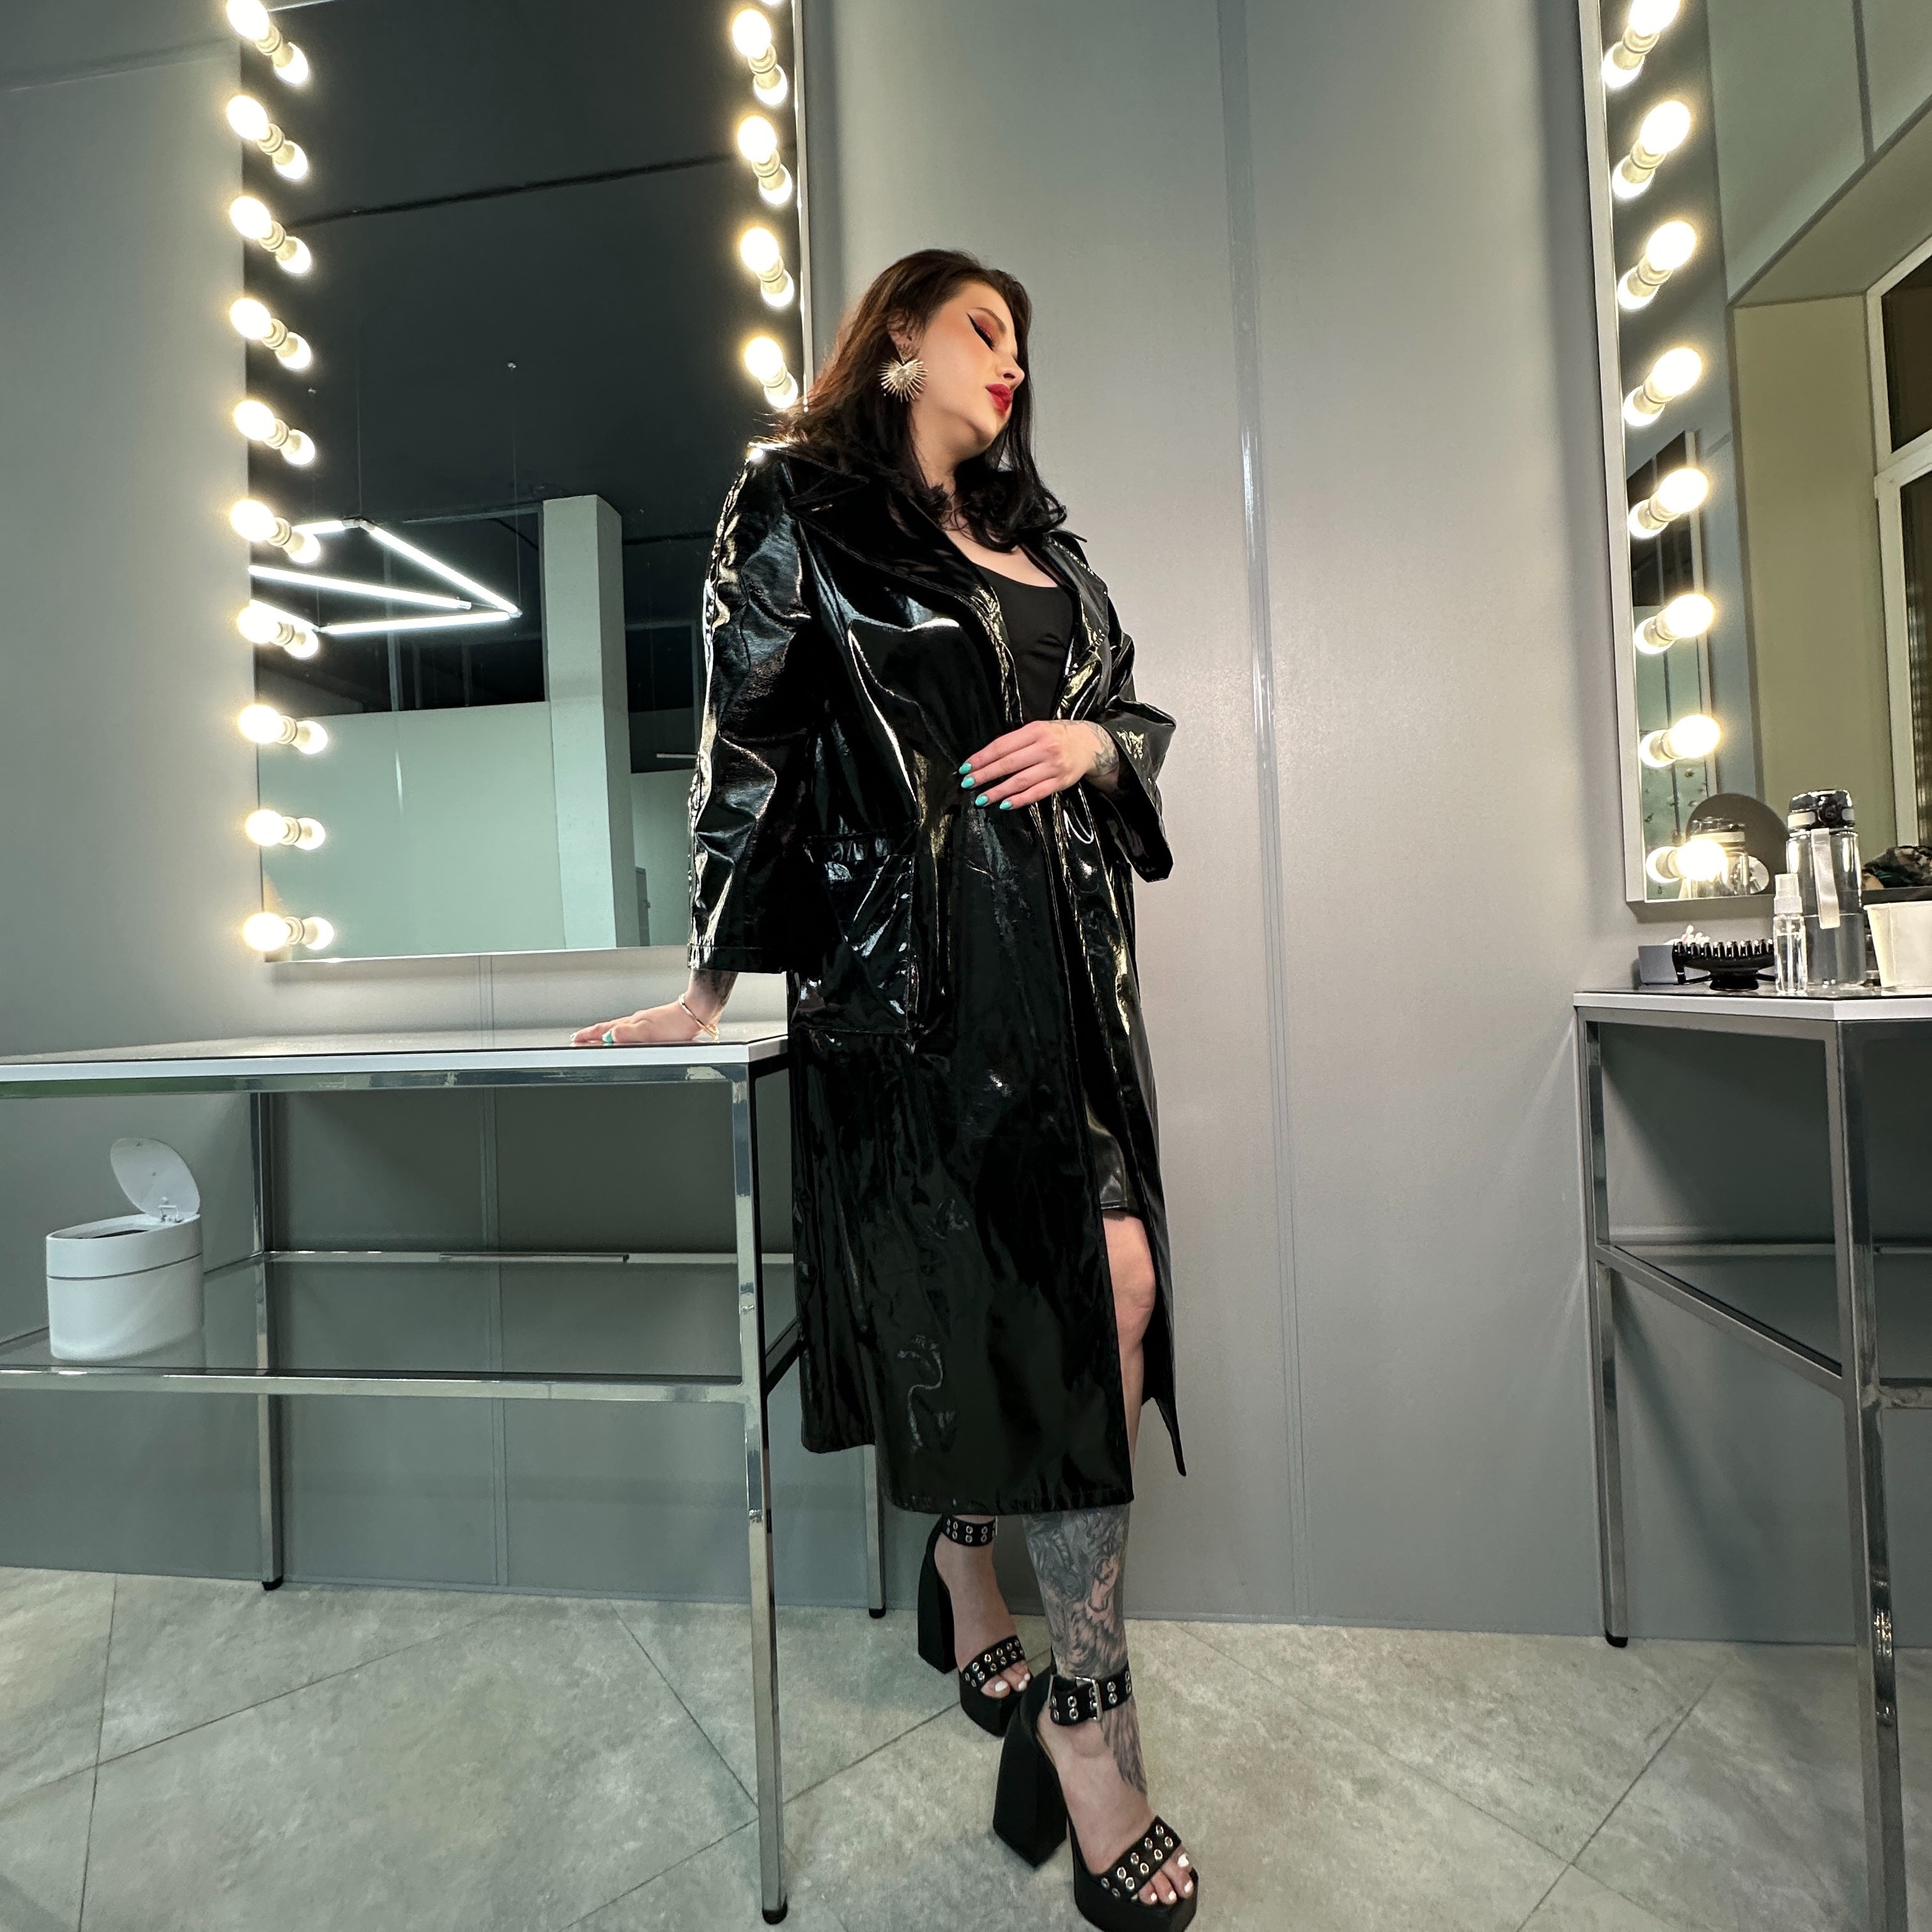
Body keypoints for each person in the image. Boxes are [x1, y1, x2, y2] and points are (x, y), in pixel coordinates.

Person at [574, 249, 1193, 1926]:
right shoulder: (800, 507)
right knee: (1034, 1311)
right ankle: (1070, 1703)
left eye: (1025, 342)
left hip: (1073, 995)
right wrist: (708, 981)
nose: (1011, 361)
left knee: (1105, 1291)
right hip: (918, 1001)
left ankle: (992, 1597)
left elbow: (1125, 710)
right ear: (901, 335)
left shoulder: (1043, 544)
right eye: (984, 327)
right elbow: (751, 747)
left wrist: (1101, 745)